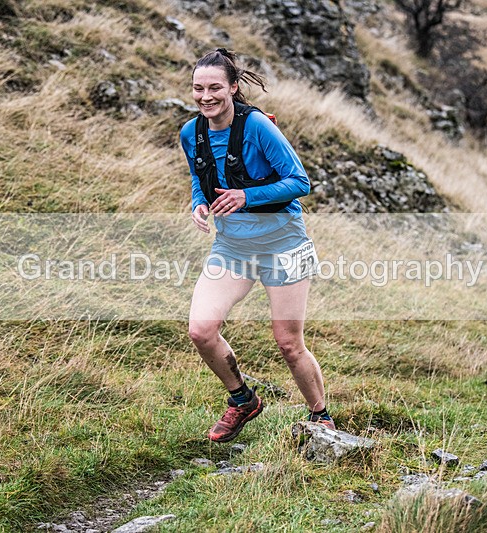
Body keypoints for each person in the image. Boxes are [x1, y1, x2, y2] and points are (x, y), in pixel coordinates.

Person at [179, 48, 335, 443]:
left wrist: (246, 197)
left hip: (284, 244)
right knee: (201, 330)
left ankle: (321, 418)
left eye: (215, 87)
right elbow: (203, 177)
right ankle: (243, 400)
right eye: (198, 88)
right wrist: (199, 203)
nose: (206, 96)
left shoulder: (258, 127)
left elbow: (300, 182)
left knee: (288, 344)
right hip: (233, 248)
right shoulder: (190, 133)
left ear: (233, 87)